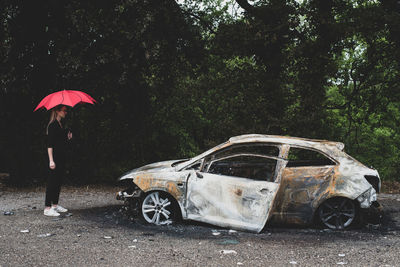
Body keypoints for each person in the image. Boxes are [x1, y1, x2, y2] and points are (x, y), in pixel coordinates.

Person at [44, 105, 72, 217]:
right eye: (64, 110)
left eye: (66, 110)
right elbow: (49, 144)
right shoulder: (52, 126)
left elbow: (60, 142)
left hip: (61, 157)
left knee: (58, 181)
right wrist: (51, 160)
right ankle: (47, 208)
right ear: (57, 111)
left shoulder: (61, 125)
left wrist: (68, 137)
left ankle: (55, 205)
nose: (66, 112)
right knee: (51, 182)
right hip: (54, 158)